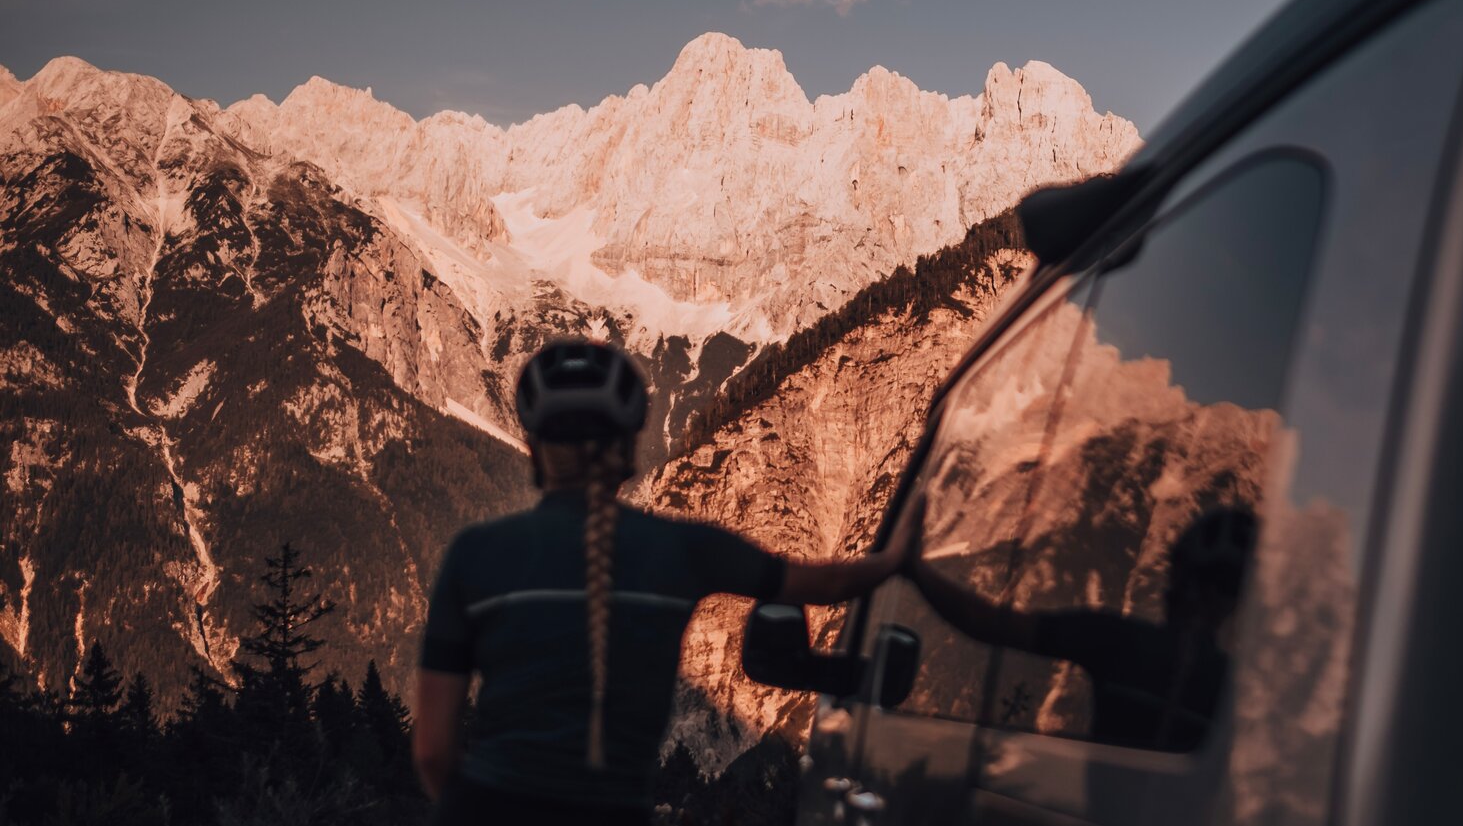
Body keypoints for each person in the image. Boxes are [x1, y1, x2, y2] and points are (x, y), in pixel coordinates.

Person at [412, 339, 915, 824]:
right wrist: (897, 555)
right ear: (629, 448)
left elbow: (433, 750)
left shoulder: (474, 554)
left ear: (533, 446)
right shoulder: (685, 549)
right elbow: (827, 586)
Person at [907, 507, 1254, 750]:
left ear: (1176, 578)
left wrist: (914, 569)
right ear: (1236, 604)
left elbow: (986, 623)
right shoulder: (1243, 691)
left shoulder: (1119, 642)